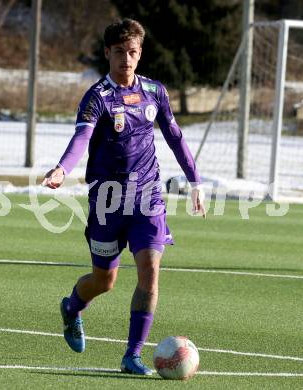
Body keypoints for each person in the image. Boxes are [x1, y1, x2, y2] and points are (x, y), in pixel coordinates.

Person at [42, 18, 206, 375]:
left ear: (140, 53)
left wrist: (195, 181)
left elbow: (175, 136)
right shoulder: (96, 98)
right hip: (108, 201)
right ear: (107, 53)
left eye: (132, 52)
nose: (126, 60)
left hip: (148, 197)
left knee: (150, 271)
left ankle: (131, 355)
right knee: (105, 281)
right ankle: (71, 308)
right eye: (119, 53)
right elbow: (81, 139)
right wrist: (61, 169)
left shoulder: (155, 92)